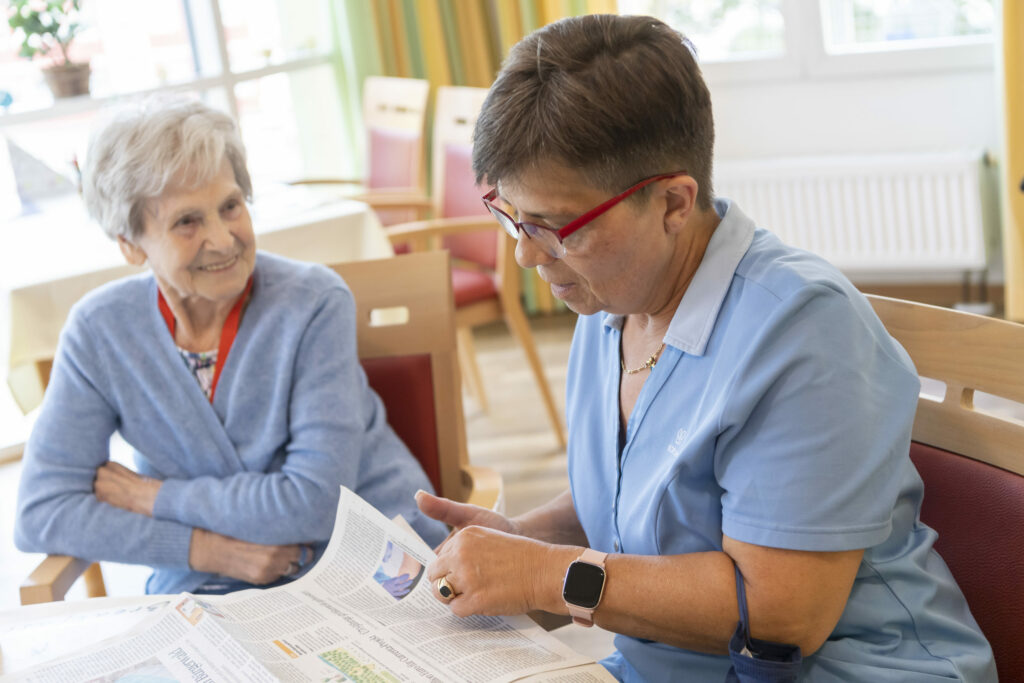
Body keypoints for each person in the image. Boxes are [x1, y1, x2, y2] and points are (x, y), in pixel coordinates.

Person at [414, 14, 997, 682]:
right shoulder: (608, 299)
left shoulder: (803, 330)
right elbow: (646, 495)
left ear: (672, 202)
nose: (524, 253)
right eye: (510, 214)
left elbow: (783, 617)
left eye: (553, 225)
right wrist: (524, 538)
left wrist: (548, 575)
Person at [15, 96, 446, 595]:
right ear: (131, 243)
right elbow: (43, 511)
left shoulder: (313, 304)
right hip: (207, 582)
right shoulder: (99, 331)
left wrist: (155, 497)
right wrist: (208, 550)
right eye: (187, 222)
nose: (222, 240)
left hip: (360, 565)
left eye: (230, 206)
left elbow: (314, 504)